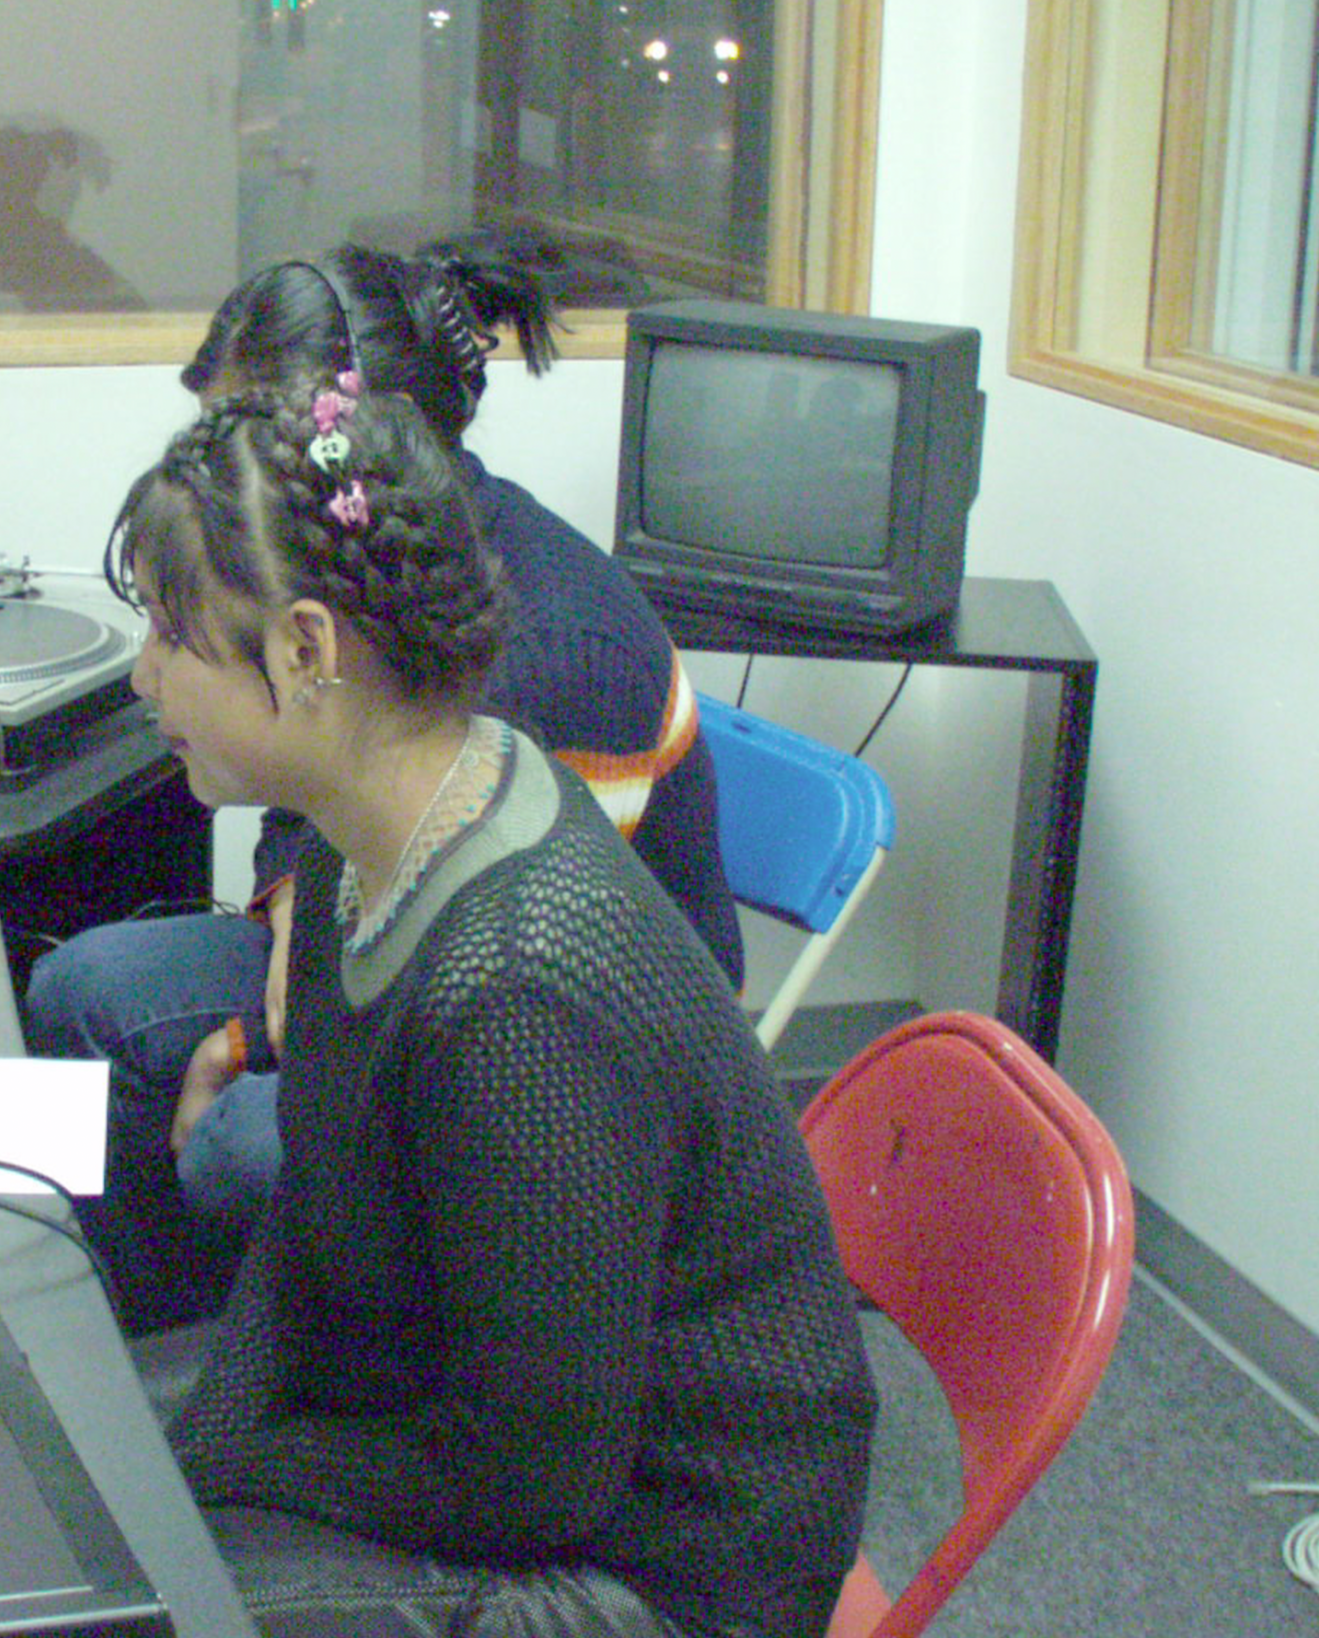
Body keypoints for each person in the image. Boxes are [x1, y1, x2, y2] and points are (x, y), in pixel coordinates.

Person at [105, 378, 874, 1638]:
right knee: (91, 1475)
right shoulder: (370, 834)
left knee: (138, 1601)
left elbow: (532, 1484)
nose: (144, 676)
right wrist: (204, 1450)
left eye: (169, 637)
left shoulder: (519, 988)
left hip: (663, 1568)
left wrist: (237, 1472)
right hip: (487, 1442)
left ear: (306, 652)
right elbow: (309, 1221)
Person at [25, 233, 742, 1331]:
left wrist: (256, 1043)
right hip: (388, 945)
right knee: (83, 989)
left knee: (238, 1144)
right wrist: (292, 927)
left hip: (559, 1047)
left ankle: (280, 1352)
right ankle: (151, 1345)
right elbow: (315, 810)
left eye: (245, 442)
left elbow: (465, 979)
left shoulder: (545, 658)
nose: (221, 479)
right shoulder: (356, 581)